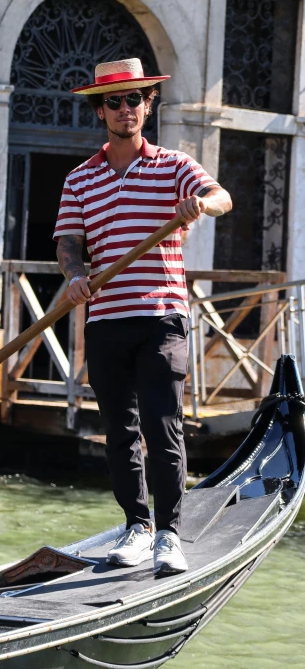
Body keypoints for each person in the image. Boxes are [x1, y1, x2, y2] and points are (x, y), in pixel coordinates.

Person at [54, 58, 232, 576]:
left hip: (161, 317)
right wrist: (74, 276)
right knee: (120, 431)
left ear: (148, 105)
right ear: (100, 110)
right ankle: (137, 525)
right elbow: (69, 242)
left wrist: (199, 205)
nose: (126, 108)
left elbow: (222, 196)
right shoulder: (79, 179)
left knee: (162, 425)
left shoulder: (175, 167)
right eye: (115, 100)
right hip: (106, 320)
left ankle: (169, 534)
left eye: (136, 98)